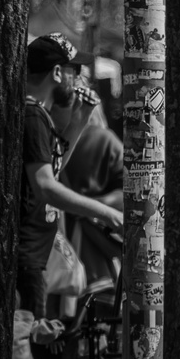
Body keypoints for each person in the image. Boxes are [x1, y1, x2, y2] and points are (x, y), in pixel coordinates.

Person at [21, 35, 123, 316]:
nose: (80, 80)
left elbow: (51, 170)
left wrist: (79, 120)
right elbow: (45, 187)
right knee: (22, 352)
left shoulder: (38, 115)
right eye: (74, 72)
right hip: (27, 260)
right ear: (56, 73)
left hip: (39, 259)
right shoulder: (31, 115)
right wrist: (109, 214)